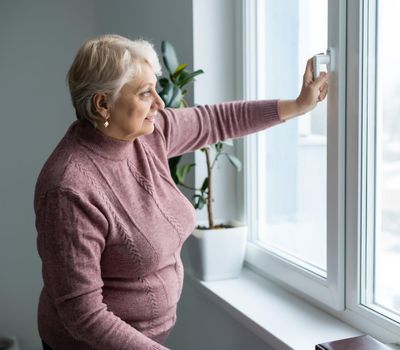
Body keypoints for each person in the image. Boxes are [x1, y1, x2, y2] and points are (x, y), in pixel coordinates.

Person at [34, 34, 328, 350]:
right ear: (103, 104)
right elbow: (83, 314)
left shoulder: (149, 134)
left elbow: (218, 120)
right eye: (146, 93)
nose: (160, 103)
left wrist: (298, 106)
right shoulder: (69, 189)